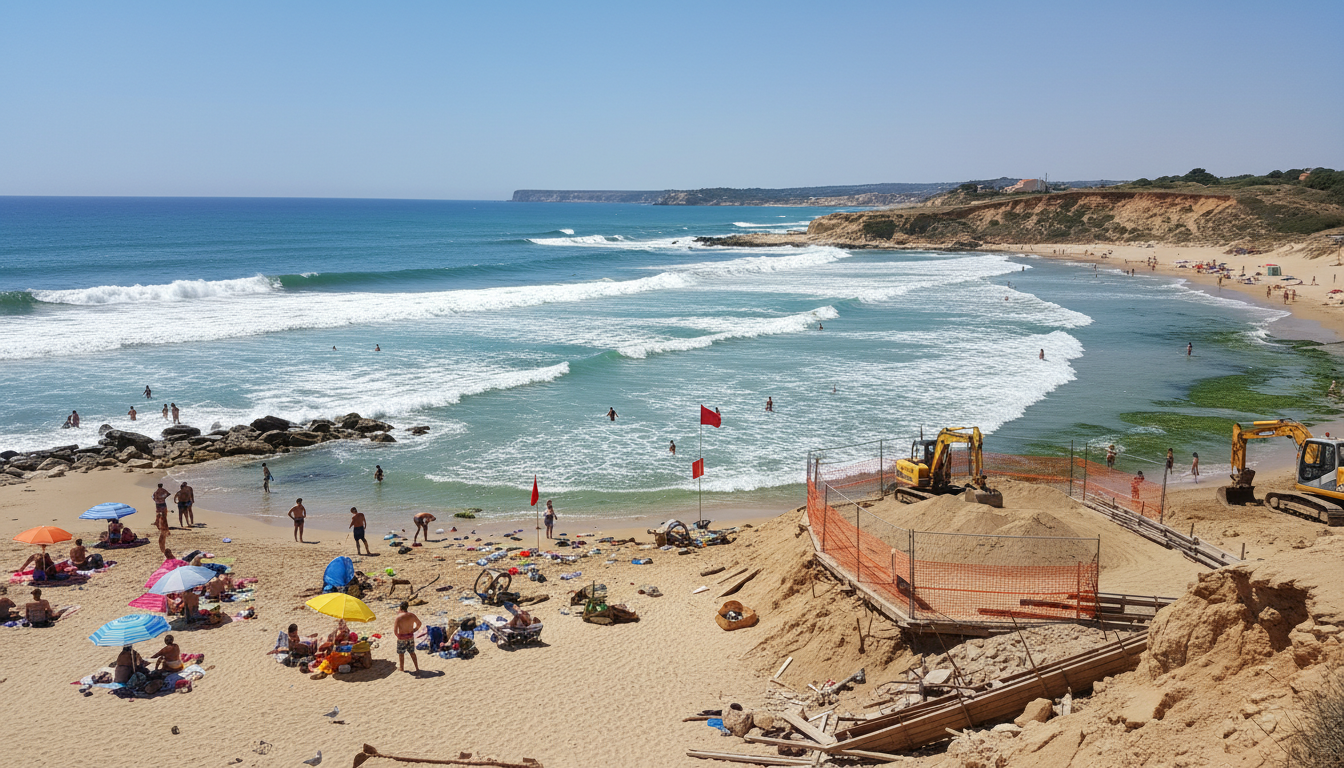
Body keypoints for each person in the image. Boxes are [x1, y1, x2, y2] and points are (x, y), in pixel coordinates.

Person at [393, 601, 422, 673]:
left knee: (401, 654)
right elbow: (419, 623)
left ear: (400, 607)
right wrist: (415, 630)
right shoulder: (411, 615)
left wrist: (398, 636)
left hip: (402, 637)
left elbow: (395, 631)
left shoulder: (398, 617)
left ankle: (401, 668)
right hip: (410, 636)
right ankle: (417, 667)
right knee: (412, 653)